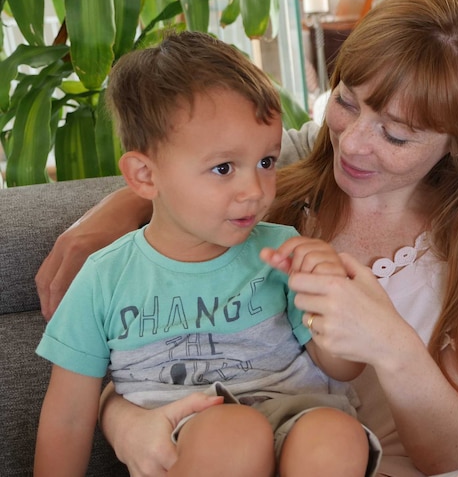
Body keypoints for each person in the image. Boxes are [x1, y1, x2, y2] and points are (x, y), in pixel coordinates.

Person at [35, 0, 458, 475]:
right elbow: (155, 345)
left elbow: (456, 457)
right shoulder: (268, 205)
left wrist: (388, 342)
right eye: (346, 102)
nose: (352, 144)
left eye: (395, 134)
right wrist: (123, 416)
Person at [34, 31, 376, 477]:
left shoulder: (283, 248)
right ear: (143, 175)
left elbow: (345, 370)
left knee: (337, 434)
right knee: (232, 433)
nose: (255, 191)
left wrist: (330, 300)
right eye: (223, 168)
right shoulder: (104, 277)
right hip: (186, 439)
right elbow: (68, 417)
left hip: (297, 419)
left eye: (267, 162)